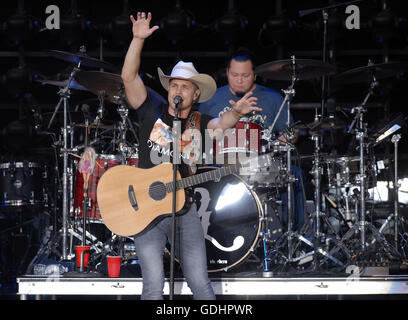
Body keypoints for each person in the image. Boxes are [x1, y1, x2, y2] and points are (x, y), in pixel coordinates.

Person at [121, 12, 262, 300]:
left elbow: (220, 126)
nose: (178, 90)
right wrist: (137, 39)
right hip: (146, 212)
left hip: (184, 212)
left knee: (201, 285)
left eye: (184, 86)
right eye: (174, 85)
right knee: (152, 287)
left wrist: (235, 112)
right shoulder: (150, 111)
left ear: (195, 94)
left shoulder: (201, 122)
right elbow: (128, 77)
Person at [198, 48, 305, 232]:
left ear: (254, 75)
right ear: (227, 73)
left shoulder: (272, 98)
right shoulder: (212, 99)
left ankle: (293, 236)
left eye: (245, 75)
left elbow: (291, 133)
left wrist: (275, 146)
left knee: (295, 175)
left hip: (263, 164)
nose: (239, 80)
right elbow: (200, 135)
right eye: (234, 75)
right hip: (222, 166)